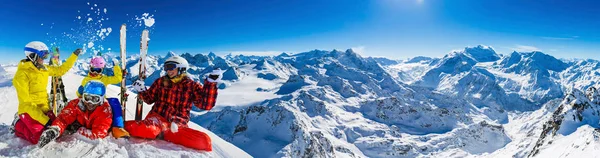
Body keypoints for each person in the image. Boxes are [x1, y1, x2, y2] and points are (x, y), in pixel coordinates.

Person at [126, 56, 223, 151]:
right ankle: (119, 126)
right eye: (166, 68)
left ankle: (163, 134)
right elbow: (149, 99)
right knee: (145, 129)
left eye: (171, 67)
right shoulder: (160, 82)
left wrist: (211, 83)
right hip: (158, 119)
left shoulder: (191, 85)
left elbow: (205, 105)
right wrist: (142, 90)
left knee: (205, 141)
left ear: (181, 68)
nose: (168, 70)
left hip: (177, 125)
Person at [12, 41, 81, 145]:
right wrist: (45, 120)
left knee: (56, 130)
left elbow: (60, 70)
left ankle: (30, 122)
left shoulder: (44, 69)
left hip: (44, 107)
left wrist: (74, 56)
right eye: (42, 55)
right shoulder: (22, 75)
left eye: (46, 55)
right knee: (39, 138)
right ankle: (18, 124)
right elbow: (26, 104)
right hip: (29, 111)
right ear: (32, 56)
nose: (44, 59)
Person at [38, 80, 113, 147]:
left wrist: (79, 130)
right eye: (87, 98)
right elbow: (63, 118)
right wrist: (55, 130)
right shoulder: (76, 104)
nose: (90, 102)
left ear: (102, 99)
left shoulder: (105, 111)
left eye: (95, 99)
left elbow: (98, 135)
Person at [76, 56, 129, 139]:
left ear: (102, 70)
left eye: (98, 70)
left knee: (114, 101)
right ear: (89, 68)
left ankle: (118, 127)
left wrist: (116, 66)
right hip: (89, 102)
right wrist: (79, 92)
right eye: (93, 69)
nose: (95, 73)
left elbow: (118, 78)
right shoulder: (86, 80)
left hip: (101, 101)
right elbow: (80, 95)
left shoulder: (104, 79)